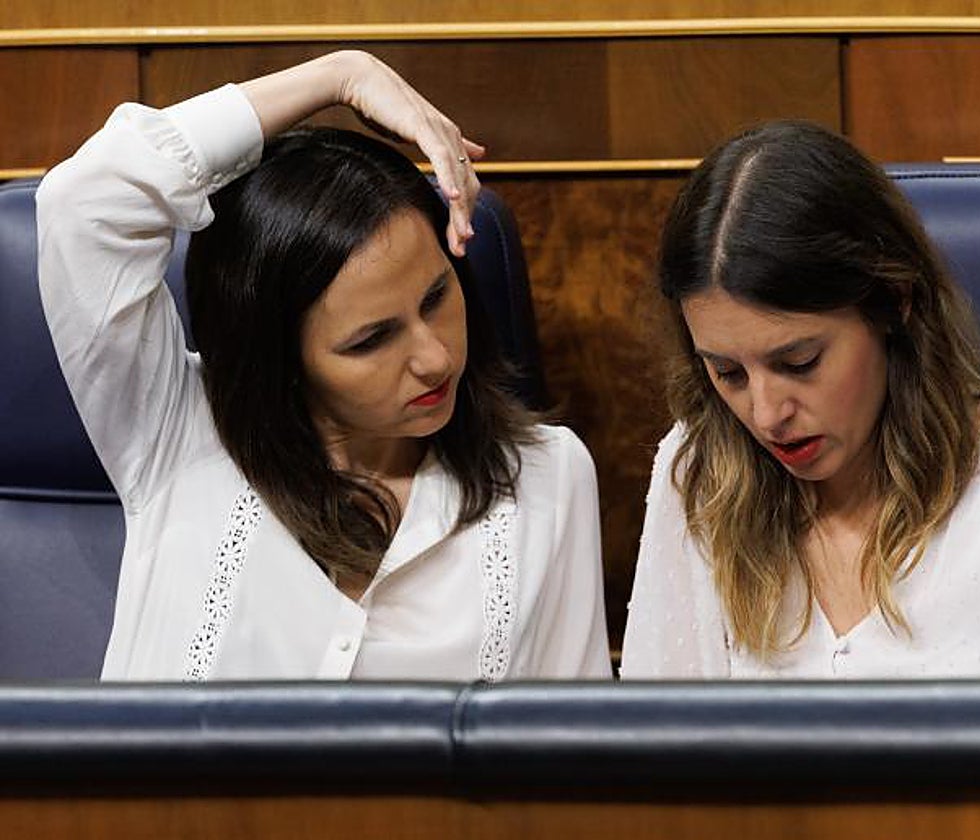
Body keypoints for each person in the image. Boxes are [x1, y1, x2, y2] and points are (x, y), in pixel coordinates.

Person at [37, 51, 610, 681]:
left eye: (436, 298)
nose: (434, 357)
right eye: (371, 340)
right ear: (280, 358)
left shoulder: (547, 476)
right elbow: (84, 201)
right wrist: (342, 75)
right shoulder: (175, 429)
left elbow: (565, 750)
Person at [621, 120, 980, 679]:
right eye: (728, 374)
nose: (767, 413)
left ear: (895, 301)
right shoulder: (698, 471)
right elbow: (653, 764)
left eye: (799, 363)